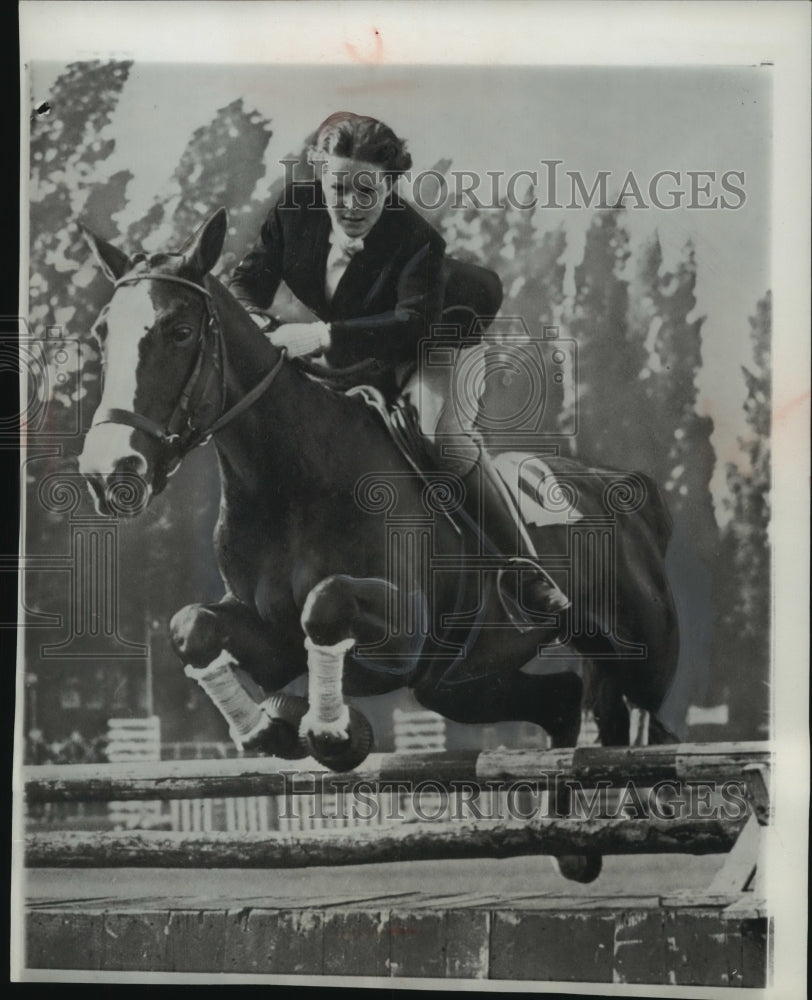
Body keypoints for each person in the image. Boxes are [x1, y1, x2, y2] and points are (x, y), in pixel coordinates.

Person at [229, 112, 568, 619]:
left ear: (390, 185)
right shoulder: (294, 209)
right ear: (319, 174)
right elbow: (244, 284)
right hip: (359, 343)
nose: (351, 205)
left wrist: (321, 336)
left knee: (439, 436)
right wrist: (259, 323)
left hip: (437, 337)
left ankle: (527, 573)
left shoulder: (417, 240)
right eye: (338, 188)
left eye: (368, 190)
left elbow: (412, 324)